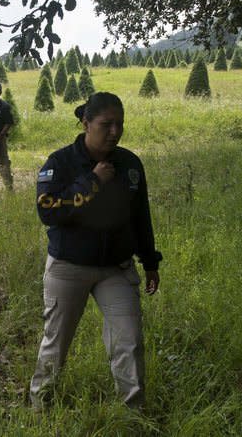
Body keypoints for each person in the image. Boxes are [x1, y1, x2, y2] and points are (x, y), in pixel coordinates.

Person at [30, 92, 161, 409]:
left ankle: (134, 413)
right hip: (68, 266)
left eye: (120, 124)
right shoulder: (60, 162)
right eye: (106, 124)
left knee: (129, 341)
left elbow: (140, 215)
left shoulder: (129, 164)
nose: (115, 131)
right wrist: (92, 182)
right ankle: (40, 405)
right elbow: (48, 210)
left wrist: (150, 261)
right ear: (86, 123)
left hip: (115, 268)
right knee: (56, 343)